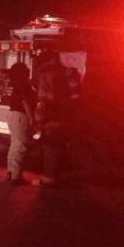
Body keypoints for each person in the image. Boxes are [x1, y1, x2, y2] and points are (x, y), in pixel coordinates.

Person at [31, 46, 82, 186]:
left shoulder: (44, 73)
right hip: (67, 116)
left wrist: (38, 122)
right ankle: (64, 176)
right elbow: (76, 97)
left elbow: (43, 101)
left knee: (50, 148)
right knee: (63, 145)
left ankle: (48, 179)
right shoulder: (68, 72)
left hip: (51, 117)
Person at [6, 62, 36, 187]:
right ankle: (16, 177)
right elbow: (25, 102)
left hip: (13, 116)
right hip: (20, 116)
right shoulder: (24, 86)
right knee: (20, 146)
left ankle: (11, 174)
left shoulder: (16, 85)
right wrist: (32, 119)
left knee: (14, 145)